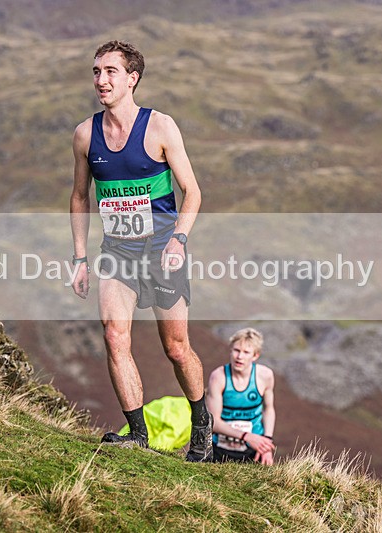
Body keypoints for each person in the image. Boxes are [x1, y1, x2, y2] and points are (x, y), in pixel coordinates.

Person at [69, 41, 212, 462]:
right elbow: (79, 197)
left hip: (162, 251)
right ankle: (137, 434)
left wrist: (179, 240)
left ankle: (202, 425)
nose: (101, 80)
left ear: (132, 79)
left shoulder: (160, 127)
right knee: (115, 337)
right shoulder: (84, 134)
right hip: (116, 253)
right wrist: (79, 258)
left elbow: (193, 192)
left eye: (111, 71)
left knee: (176, 347)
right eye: (96, 71)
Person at [206, 328, 276, 464]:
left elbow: (269, 409)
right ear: (231, 351)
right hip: (219, 450)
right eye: (236, 350)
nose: (239, 357)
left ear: (255, 355)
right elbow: (213, 422)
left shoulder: (265, 376)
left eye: (246, 352)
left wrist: (266, 444)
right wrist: (246, 436)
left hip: (253, 450)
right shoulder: (218, 377)